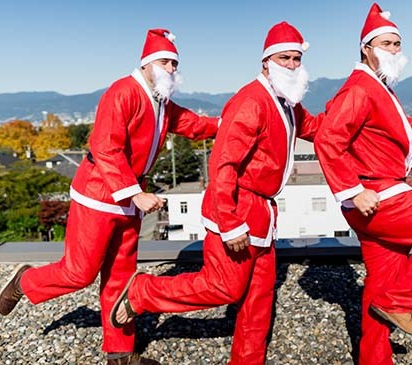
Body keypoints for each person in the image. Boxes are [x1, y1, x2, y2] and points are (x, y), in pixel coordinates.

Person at [0, 28, 219, 365]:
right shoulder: (123, 92)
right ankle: (24, 281)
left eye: (174, 63)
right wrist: (136, 194)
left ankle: (119, 352)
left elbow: (195, 124)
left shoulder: (161, 102)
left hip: (130, 199)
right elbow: (105, 147)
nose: (171, 68)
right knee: (79, 273)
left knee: (121, 277)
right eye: (165, 61)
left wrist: (235, 120)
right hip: (98, 194)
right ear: (145, 63)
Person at [109, 21, 324, 364]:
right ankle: (142, 291)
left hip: (264, 213)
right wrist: (231, 221)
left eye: (297, 58)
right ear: (266, 61)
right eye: (286, 58)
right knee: (224, 286)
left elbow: (317, 127)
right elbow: (223, 165)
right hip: (237, 205)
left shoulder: (288, 102)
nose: (293, 65)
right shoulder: (251, 101)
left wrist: (381, 122)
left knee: (259, 297)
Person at [314, 4, 412, 365]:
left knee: (381, 281)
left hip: (374, 194)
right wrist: (353, 190)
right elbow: (328, 140)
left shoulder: (376, 86)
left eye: (398, 44)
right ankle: (398, 303)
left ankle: (375, 358)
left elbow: (388, 127)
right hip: (379, 194)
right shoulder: (360, 89)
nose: (394, 50)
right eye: (387, 43)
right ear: (366, 48)